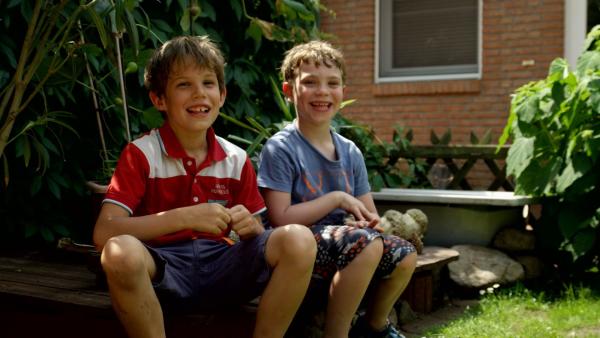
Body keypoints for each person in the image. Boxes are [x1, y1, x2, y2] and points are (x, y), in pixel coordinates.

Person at [93, 35, 316, 338]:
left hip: (225, 269)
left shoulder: (236, 159)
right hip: (163, 270)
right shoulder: (141, 154)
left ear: (222, 95)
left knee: (299, 239)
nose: (199, 94)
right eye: (184, 84)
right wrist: (185, 217)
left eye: (208, 83)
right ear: (159, 99)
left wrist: (251, 226)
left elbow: (259, 232)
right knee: (119, 252)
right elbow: (104, 233)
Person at [257, 40, 417, 338]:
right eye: (310, 83)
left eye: (333, 83)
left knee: (405, 254)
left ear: (343, 92)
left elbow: (371, 216)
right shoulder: (280, 148)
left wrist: (368, 222)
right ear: (289, 91)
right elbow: (279, 218)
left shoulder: (350, 151)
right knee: (366, 243)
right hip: (296, 249)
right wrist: (336, 199)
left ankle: (374, 326)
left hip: (344, 244)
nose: (322, 91)